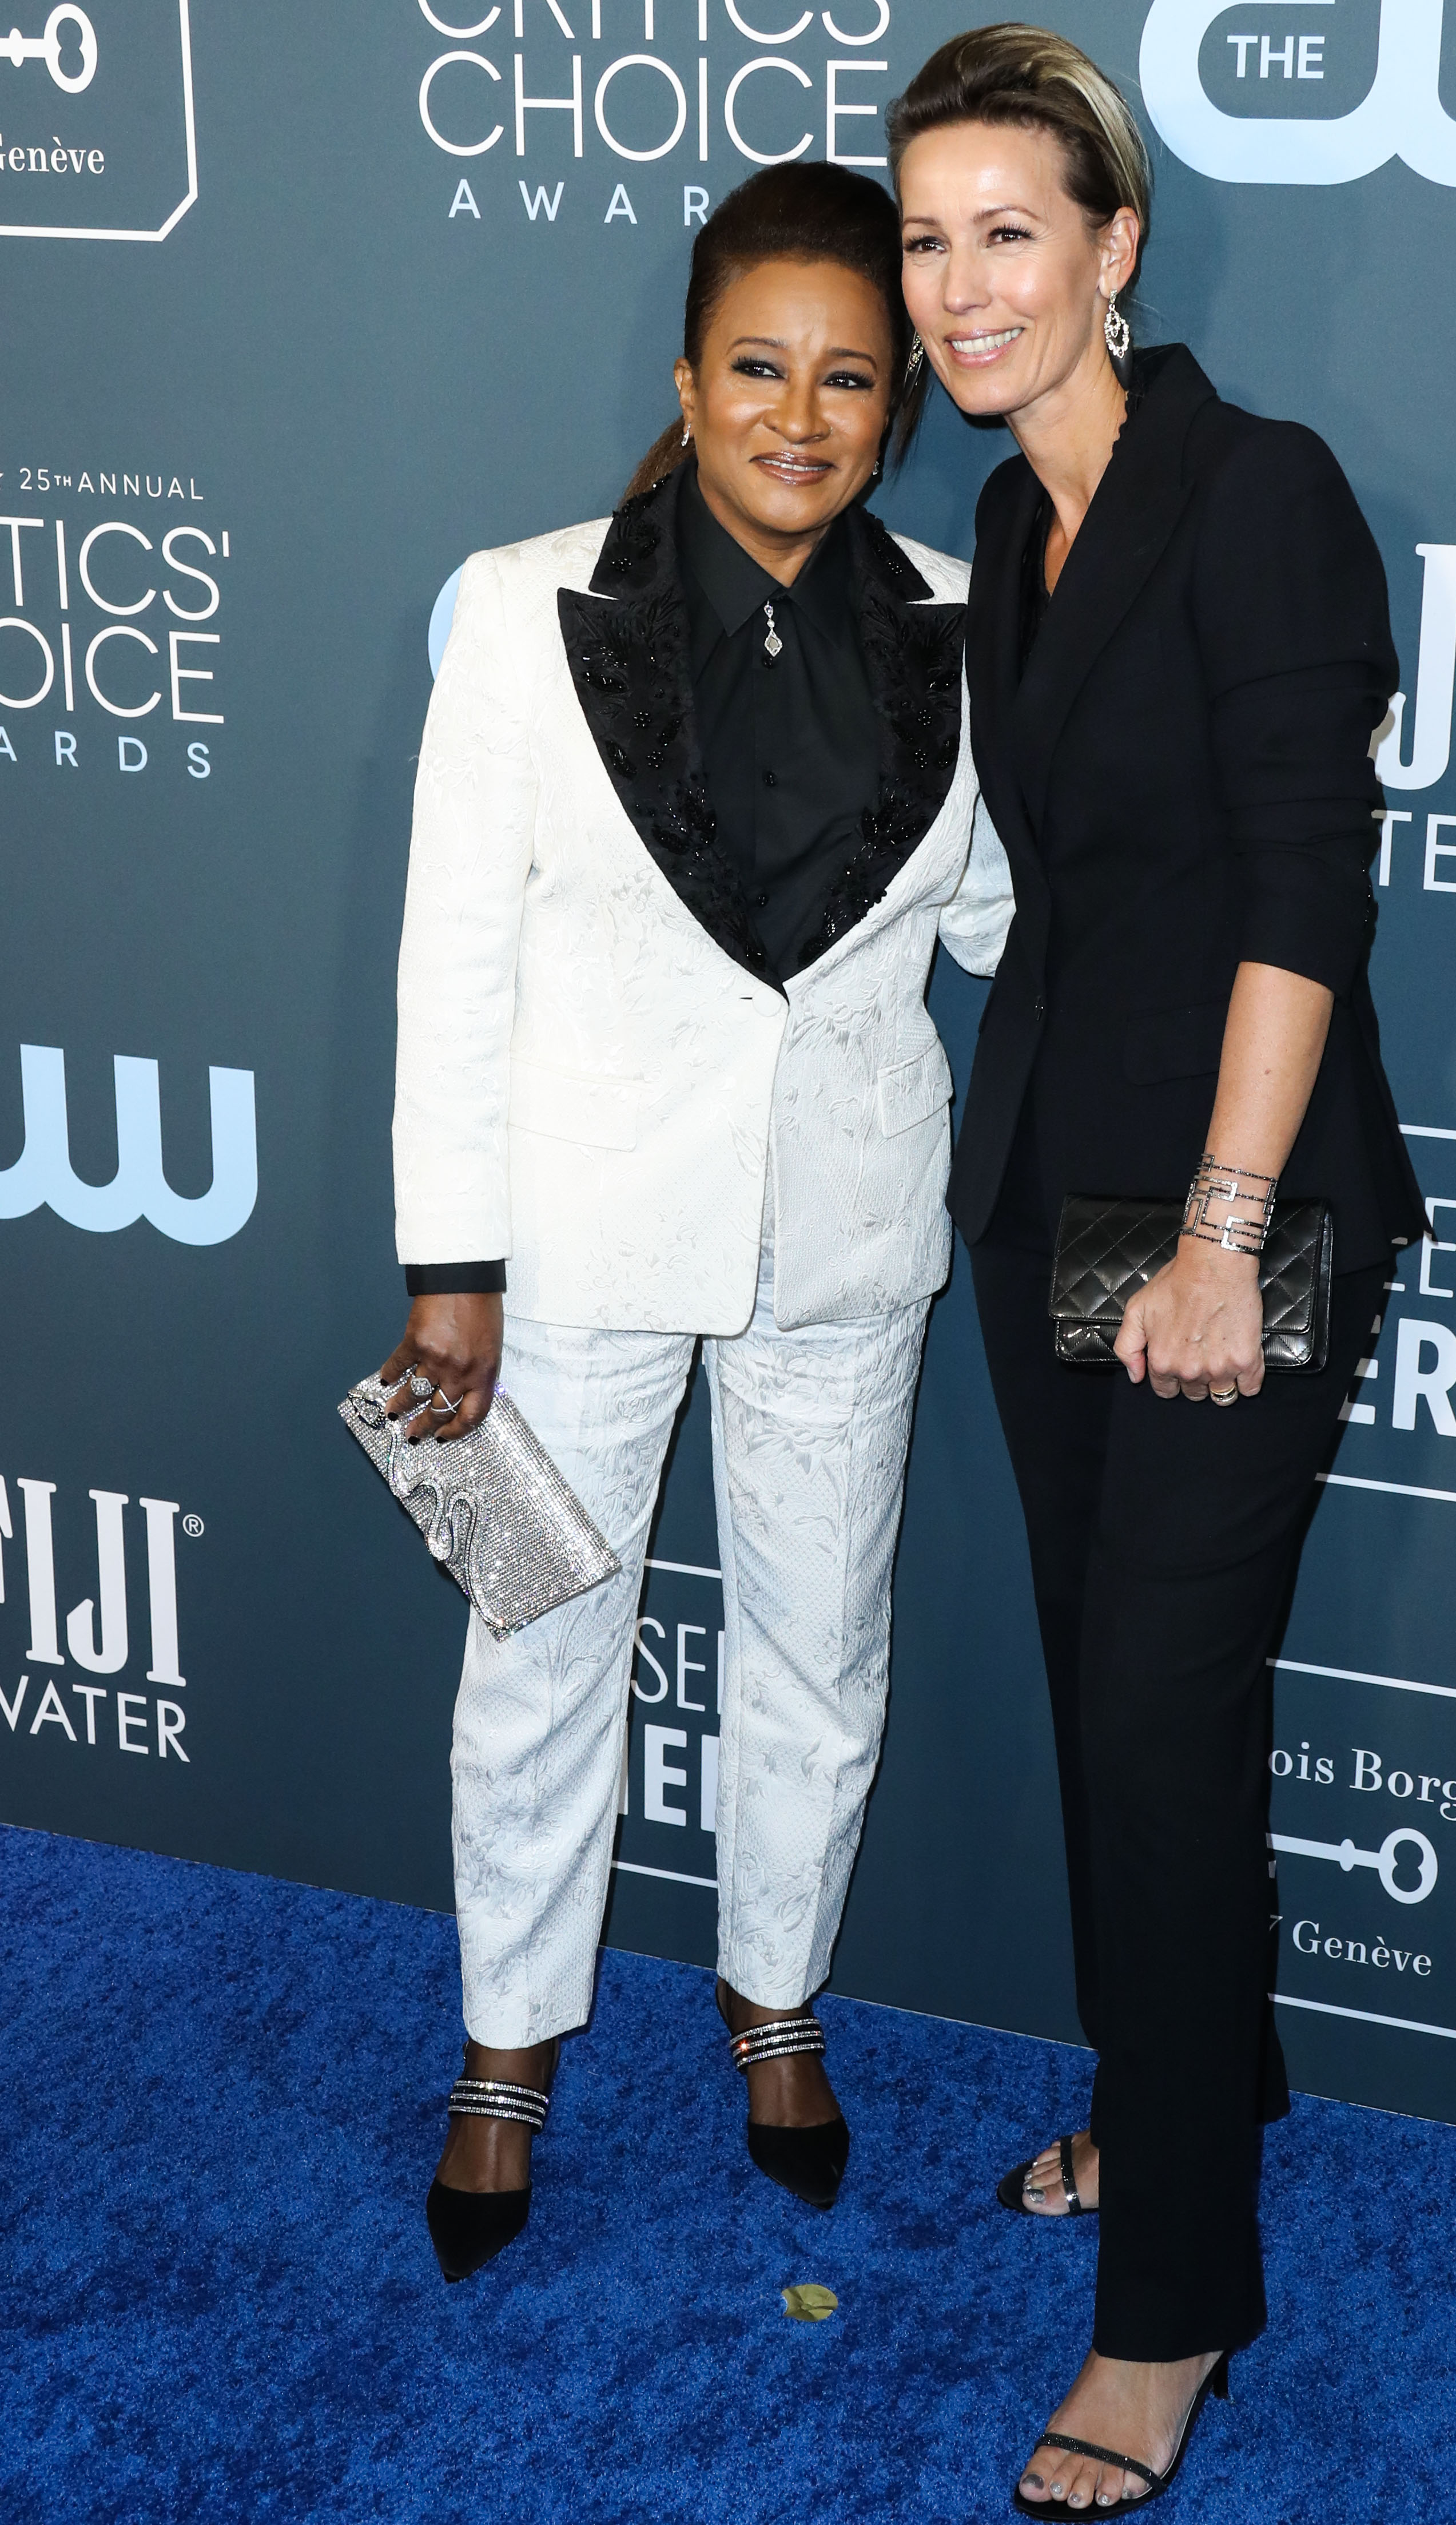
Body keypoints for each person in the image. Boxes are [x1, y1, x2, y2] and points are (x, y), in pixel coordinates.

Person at [892, 26, 1427, 2522]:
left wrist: (1221, 1236)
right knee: (1136, 1716)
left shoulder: (1257, 491)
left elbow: (1304, 889)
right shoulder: (1012, 529)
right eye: (924, 237)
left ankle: (1174, 2304)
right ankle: (1181, 2088)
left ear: (1114, 250)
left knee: (1148, 1721)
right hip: (1049, 1206)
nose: (957, 285)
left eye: (1008, 231)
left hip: (1237, 1215)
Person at [383, 161, 1010, 2285]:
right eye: (759, 366)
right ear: (688, 373)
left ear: (900, 399)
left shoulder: (957, 624)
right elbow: (450, 962)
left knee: (818, 1647)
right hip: (554, 1265)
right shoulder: (520, 608)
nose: (802, 413)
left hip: (843, 1244)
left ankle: (776, 2001)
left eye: (851, 375)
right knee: (533, 1644)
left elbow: (1017, 923)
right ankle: (504, 2041)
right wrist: (445, 1271)